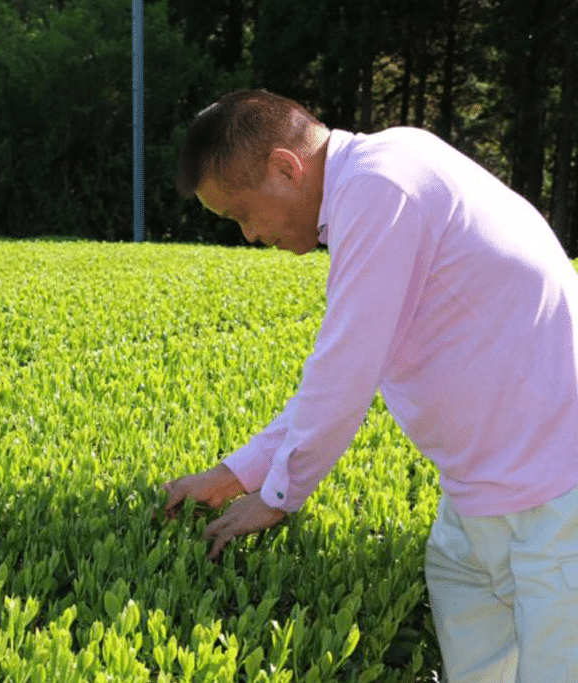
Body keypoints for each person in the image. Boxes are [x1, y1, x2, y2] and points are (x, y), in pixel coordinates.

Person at [162, 88, 578, 682]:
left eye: (241, 214)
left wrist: (277, 496)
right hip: (480, 498)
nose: (249, 236)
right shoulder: (381, 176)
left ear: (286, 166)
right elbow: (339, 375)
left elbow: (344, 374)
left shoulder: (384, 187)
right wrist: (234, 476)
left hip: (553, 504)